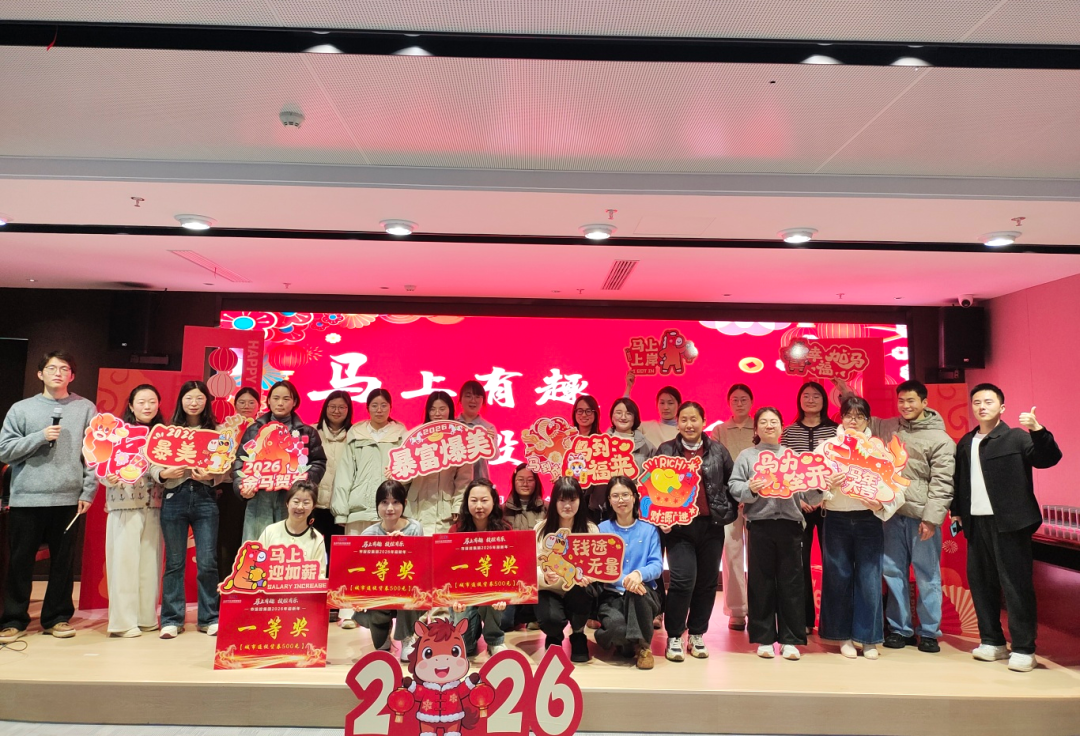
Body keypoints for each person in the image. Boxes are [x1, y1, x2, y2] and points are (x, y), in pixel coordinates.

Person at [835, 378, 956, 653]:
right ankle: (900, 629)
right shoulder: (889, 427)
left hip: (921, 516)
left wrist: (931, 519)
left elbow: (943, 483)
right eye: (901, 400)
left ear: (925, 403)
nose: (905, 405)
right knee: (892, 572)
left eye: (911, 400)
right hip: (890, 514)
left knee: (927, 574)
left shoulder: (941, 439)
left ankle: (929, 632)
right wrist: (847, 394)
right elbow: (860, 418)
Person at [953, 384, 1062, 673]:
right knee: (981, 584)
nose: (982, 406)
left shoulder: (1016, 437)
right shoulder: (966, 442)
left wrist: (1038, 430)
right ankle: (992, 641)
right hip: (976, 523)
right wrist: (957, 512)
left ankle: (1024, 648)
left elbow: (1049, 458)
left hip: (1011, 523)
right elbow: (959, 480)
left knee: (1016, 586)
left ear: (1002, 407)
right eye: (977, 402)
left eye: (989, 402)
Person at [0, 351, 97, 644]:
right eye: (52, 368)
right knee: (20, 562)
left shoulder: (85, 408)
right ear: (40, 374)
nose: (58, 373)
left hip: (68, 499)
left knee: (63, 563)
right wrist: (40, 436)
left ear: (72, 376)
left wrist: (88, 491)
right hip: (27, 499)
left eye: (64, 368)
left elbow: (94, 455)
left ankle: (57, 617)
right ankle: (13, 619)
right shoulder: (21, 409)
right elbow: (5, 451)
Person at [816, 397, 905, 660]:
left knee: (869, 577)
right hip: (836, 518)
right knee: (838, 576)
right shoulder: (826, 447)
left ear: (868, 420)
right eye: (848, 415)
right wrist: (827, 485)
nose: (853, 421)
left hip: (869, 520)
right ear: (841, 418)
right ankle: (841, 636)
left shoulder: (880, 449)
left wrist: (881, 504)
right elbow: (810, 485)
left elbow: (897, 485)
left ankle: (868, 638)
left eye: (859, 416)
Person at [730, 407, 818, 660]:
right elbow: (734, 486)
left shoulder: (793, 457)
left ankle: (791, 640)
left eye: (774, 422)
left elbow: (810, 493)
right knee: (761, 582)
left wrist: (823, 486)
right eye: (764, 422)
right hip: (760, 525)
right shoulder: (747, 456)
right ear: (756, 428)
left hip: (791, 525)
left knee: (792, 583)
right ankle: (765, 638)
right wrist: (750, 488)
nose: (769, 426)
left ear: (782, 427)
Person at [655, 401, 736, 662]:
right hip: (678, 528)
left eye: (694, 419)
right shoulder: (666, 450)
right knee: (682, 581)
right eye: (684, 419)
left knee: (707, 583)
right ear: (677, 423)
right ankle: (674, 635)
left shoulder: (718, 450)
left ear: (704, 421)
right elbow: (652, 488)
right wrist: (660, 516)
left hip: (711, 527)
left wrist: (726, 510)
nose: (689, 425)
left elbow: (732, 483)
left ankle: (697, 634)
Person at [154, 381, 227, 639]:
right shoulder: (168, 431)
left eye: (199, 398)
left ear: (207, 401)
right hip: (174, 496)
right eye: (189, 398)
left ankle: (209, 618)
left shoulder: (218, 431)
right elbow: (152, 462)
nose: (194, 403)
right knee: (175, 562)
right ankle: (172, 619)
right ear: (181, 401)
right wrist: (164, 473)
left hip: (206, 498)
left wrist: (212, 475)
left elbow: (226, 467)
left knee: (207, 562)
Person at [333, 388, 408, 629]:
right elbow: (345, 472)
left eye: (384, 405)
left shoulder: (401, 434)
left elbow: (409, 471)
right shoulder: (356, 434)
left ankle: (383, 609)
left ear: (390, 407)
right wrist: (341, 510)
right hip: (358, 506)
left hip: (389, 508)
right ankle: (348, 612)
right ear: (367, 408)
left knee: (386, 562)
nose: (379, 409)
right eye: (374, 405)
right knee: (353, 559)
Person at [103, 384, 165, 637]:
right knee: (124, 563)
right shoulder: (117, 433)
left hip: (155, 505)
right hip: (124, 503)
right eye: (141, 402)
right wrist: (108, 478)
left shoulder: (164, 434)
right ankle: (123, 622)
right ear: (131, 405)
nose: (147, 406)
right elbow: (101, 465)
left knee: (150, 564)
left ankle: (146, 617)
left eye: (152, 401)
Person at [234, 380, 326, 543]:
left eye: (286, 399)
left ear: (294, 402)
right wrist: (241, 486)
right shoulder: (254, 430)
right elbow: (240, 461)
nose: (280, 403)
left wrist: (303, 483)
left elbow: (318, 462)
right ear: (268, 401)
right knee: (257, 548)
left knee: (288, 548)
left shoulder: (307, 432)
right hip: (259, 497)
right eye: (276, 398)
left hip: (291, 498)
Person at [780, 381, 838, 633]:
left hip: (830, 506)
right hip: (798, 506)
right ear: (799, 400)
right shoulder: (789, 432)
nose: (811, 400)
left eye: (816, 395)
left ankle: (832, 622)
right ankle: (803, 620)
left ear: (824, 400)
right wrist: (797, 499)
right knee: (799, 563)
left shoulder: (836, 430)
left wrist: (827, 496)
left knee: (833, 563)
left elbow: (840, 467)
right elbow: (784, 470)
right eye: (806, 395)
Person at [596, 476, 663, 669]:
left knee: (637, 592)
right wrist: (624, 579)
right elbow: (598, 566)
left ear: (634, 497)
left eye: (625, 494)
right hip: (612, 595)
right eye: (615, 496)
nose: (621, 500)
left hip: (644, 594)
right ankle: (626, 642)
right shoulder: (601, 529)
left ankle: (644, 647)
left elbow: (657, 565)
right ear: (609, 500)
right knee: (617, 630)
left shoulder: (649, 530)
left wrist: (638, 575)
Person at [356, 480, 426, 660]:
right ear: (377, 505)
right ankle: (383, 632)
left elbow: (419, 568)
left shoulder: (414, 528)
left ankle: (407, 637)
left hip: (406, 589)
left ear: (404, 504)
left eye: (395, 502)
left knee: (411, 591)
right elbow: (364, 573)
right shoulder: (368, 534)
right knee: (381, 647)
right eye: (384, 502)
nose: (389, 508)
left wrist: (404, 546)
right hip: (381, 591)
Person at [535, 477, 599, 663]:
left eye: (573, 499)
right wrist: (544, 577)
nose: (567, 505)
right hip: (549, 589)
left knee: (583, 593)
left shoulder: (590, 529)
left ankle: (578, 633)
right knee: (550, 620)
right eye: (562, 500)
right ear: (554, 501)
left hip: (577, 588)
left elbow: (597, 566)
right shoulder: (541, 529)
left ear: (580, 500)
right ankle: (554, 636)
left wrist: (589, 576)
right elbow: (532, 566)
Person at [711, 383, 755, 631]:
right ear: (729, 403)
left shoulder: (759, 426)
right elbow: (715, 466)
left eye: (744, 399)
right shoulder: (719, 430)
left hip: (759, 500)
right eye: (735, 399)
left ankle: (759, 607)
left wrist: (750, 492)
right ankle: (737, 611)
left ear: (751, 402)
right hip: (729, 501)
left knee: (758, 555)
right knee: (732, 554)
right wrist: (734, 494)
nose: (739, 403)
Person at [450, 479, 511, 659]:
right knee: (465, 647)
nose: (479, 506)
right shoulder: (456, 531)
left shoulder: (505, 530)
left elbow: (510, 568)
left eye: (484, 500)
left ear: (494, 501)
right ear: (466, 502)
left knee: (494, 599)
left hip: (493, 591)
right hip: (464, 594)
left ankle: (494, 640)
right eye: (473, 500)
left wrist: (504, 595)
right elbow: (449, 571)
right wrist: (454, 599)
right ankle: (473, 623)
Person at [407, 391, 473, 534]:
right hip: (416, 509)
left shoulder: (460, 438)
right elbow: (405, 475)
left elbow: (464, 480)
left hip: (445, 511)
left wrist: (458, 506)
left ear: (450, 410)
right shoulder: (413, 437)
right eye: (433, 409)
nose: (437, 413)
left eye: (442, 409)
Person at [216, 385, 261, 583]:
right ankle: (226, 584)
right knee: (228, 539)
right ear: (235, 405)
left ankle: (252, 583)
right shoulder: (223, 429)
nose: (246, 406)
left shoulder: (264, 429)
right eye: (242, 402)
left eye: (251, 402)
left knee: (253, 538)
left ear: (259, 405)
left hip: (257, 490)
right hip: (228, 490)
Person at [501, 464, 546, 631]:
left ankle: (532, 614)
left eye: (529, 480)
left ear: (536, 482)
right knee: (504, 623)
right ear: (514, 482)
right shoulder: (502, 510)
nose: (525, 484)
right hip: (510, 571)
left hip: (538, 569)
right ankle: (519, 615)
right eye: (520, 479)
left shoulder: (547, 508)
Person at [256, 479, 327, 574]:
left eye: (306, 503)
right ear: (287, 503)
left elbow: (320, 575)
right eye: (296, 502)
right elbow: (257, 565)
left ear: (313, 506)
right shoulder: (270, 531)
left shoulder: (317, 539)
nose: (300, 507)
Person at [627, 376, 681, 450]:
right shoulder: (647, 427)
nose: (666, 407)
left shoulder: (684, 430)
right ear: (656, 405)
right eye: (662, 403)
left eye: (670, 403)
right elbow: (625, 418)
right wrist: (628, 388)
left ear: (679, 405)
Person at [457, 381, 496, 482]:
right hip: (454, 483)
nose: (473, 400)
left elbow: (494, 457)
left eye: (477, 396)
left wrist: (490, 443)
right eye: (468, 396)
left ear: (483, 401)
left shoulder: (488, 427)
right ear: (460, 399)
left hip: (479, 482)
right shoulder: (451, 425)